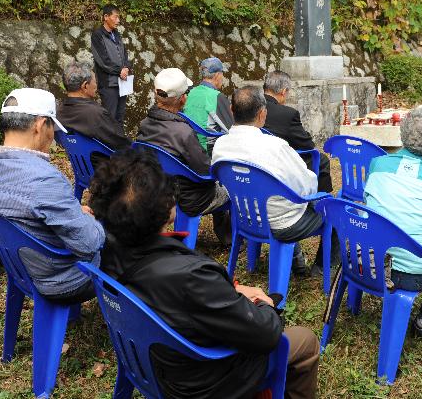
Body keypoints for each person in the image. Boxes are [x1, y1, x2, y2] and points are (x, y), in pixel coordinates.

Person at [90, 148, 319, 399]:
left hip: (151, 365)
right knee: (304, 342)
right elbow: (267, 334)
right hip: (202, 383)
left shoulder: (106, 249)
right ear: (166, 207)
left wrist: (231, 292)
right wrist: (264, 306)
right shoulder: (190, 277)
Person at [0, 88, 105, 303]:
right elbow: (89, 243)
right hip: (63, 280)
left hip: (18, 267)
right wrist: (89, 220)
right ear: (40, 125)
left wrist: (71, 213)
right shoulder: (45, 180)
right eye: (53, 129)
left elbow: (24, 207)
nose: (52, 137)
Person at [212, 86, 329, 277]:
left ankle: (296, 260)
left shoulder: (221, 145)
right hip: (282, 224)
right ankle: (321, 269)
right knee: (331, 209)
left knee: (283, 199)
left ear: (232, 111)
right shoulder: (276, 146)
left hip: (245, 218)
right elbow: (307, 187)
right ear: (262, 113)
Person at [363, 106, 422, 338]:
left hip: (370, 261)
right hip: (416, 273)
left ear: (402, 131)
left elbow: (368, 203)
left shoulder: (377, 164)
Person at [136, 68, 230, 244]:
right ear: (183, 99)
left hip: (157, 189)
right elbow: (205, 171)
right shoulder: (183, 132)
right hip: (190, 198)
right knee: (228, 188)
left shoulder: (145, 124)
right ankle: (230, 238)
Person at [262, 70, 333, 194]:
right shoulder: (287, 114)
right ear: (284, 91)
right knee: (322, 159)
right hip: (281, 161)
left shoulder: (251, 106)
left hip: (258, 157)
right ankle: (321, 201)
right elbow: (307, 145)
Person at [57, 60, 131, 169]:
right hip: (106, 171)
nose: (96, 85)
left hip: (82, 168)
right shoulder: (96, 113)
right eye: (95, 81)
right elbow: (121, 143)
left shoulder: (59, 111)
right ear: (85, 86)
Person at [90, 4, 132, 124]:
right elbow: (103, 61)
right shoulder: (98, 35)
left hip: (122, 81)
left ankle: (119, 142)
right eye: (116, 17)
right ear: (106, 17)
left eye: (119, 18)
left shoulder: (117, 34)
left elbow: (125, 55)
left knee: (120, 115)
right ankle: (108, 142)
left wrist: (126, 68)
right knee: (110, 117)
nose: (118, 21)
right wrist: (120, 71)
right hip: (108, 83)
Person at [184, 57, 234, 153]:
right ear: (217, 75)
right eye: (222, 74)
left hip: (188, 146)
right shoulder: (217, 97)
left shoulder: (190, 93)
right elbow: (231, 129)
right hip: (207, 152)